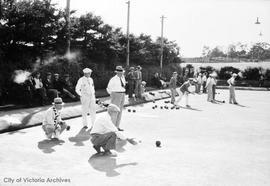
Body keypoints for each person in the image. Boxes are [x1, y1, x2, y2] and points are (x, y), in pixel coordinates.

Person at [106, 66, 126, 131]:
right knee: (114, 111)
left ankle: (117, 126)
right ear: (117, 72)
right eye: (120, 72)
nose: (121, 73)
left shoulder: (123, 78)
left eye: (122, 72)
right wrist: (112, 94)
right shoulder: (113, 79)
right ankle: (112, 127)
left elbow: (123, 86)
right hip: (116, 94)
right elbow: (108, 88)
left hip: (122, 94)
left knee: (120, 111)